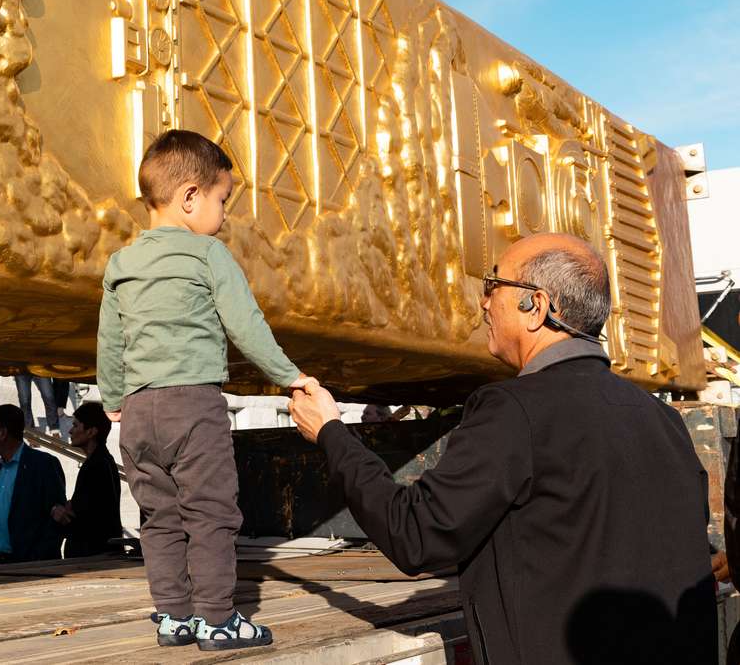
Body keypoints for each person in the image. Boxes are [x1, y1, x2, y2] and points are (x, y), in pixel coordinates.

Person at [289, 233, 716, 665]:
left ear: (538, 306)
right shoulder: (665, 423)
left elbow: (416, 534)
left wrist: (331, 432)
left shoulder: (515, 411)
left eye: (493, 285)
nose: (483, 302)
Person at [97, 129, 322, 651]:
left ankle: (174, 615)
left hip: (137, 411)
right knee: (212, 511)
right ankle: (218, 619)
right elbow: (246, 325)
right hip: (192, 405)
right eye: (222, 201)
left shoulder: (121, 264)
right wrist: (290, 375)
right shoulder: (207, 255)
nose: (224, 215)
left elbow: (111, 339)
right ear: (190, 197)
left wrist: (112, 400)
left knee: (159, 516)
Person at [0, 404, 65, 565]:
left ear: (3, 433)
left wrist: (40, 556)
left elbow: (57, 515)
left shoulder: (43, 464)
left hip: (29, 564)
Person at [51, 402, 122, 558]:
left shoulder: (97, 465)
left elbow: (91, 520)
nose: (70, 431)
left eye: (76, 426)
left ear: (91, 432)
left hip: (93, 556)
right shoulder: (101, 462)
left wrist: (62, 514)